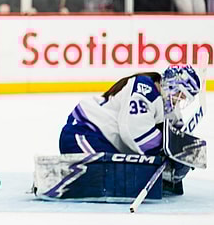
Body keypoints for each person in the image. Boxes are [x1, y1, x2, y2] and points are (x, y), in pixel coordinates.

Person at [58, 65, 201, 185]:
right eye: (180, 94)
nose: (179, 100)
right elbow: (134, 133)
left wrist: (184, 150)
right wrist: (166, 152)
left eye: (183, 99)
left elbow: (176, 132)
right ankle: (62, 177)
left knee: (130, 178)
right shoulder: (145, 87)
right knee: (117, 179)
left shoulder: (168, 105)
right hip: (83, 133)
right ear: (171, 84)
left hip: (104, 141)